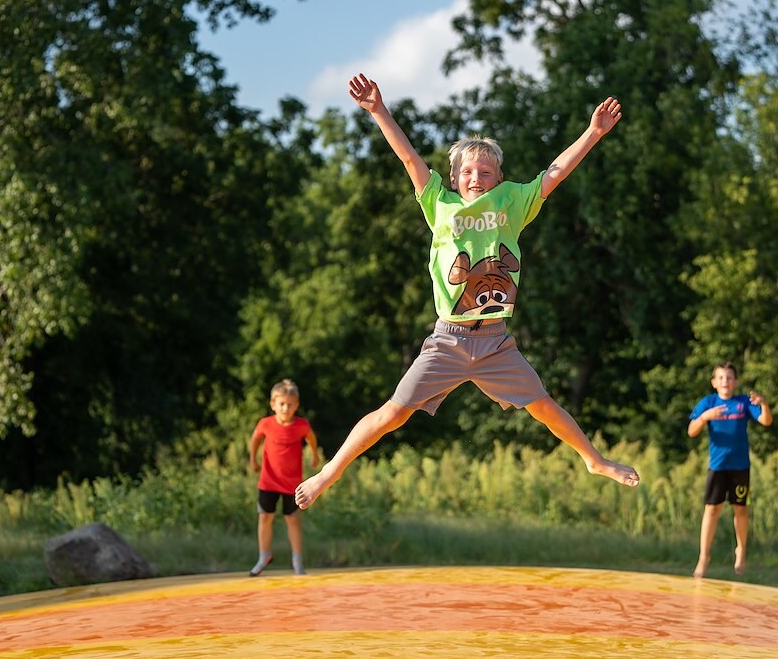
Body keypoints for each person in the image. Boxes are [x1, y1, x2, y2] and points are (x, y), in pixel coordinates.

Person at [295, 73, 639, 511]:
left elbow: (554, 173)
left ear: (498, 178)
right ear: (455, 177)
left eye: (486, 171)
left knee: (544, 406)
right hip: (449, 339)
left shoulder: (512, 203)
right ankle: (330, 471)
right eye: (468, 171)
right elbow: (409, 160)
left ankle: (594, 460)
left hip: (495, 341)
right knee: (393, 413)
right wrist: (379, 111)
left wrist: (592, 133)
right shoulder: (439, 202)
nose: (477, 177)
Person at [688, 362, 773, 578]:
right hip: (717, 467)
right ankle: (704, 557)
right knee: (712, 510)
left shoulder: (743, 402)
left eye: (729, 377)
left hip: (740, 467)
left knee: (740, 509)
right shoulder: (708, 402)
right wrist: (705, 417)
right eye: (721, 377)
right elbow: (691, 431)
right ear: (714, 382)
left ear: (735, 381)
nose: (725, 381)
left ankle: (741, 550)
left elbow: (766, 421)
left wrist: (764, 404)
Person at [248, 378, 319, 576]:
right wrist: (252, 459)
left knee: (292, 519)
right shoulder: (265, 424)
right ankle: (263, 556)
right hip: (268, 481)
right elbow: (255, 439)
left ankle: (297, 561)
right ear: (273, 404)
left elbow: (311, 438)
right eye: (281, 404)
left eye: (290, 404)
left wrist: (314, 455)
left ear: (296, 405)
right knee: (265, 518)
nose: (285, 408)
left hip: (292, 484)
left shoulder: (301, 425)